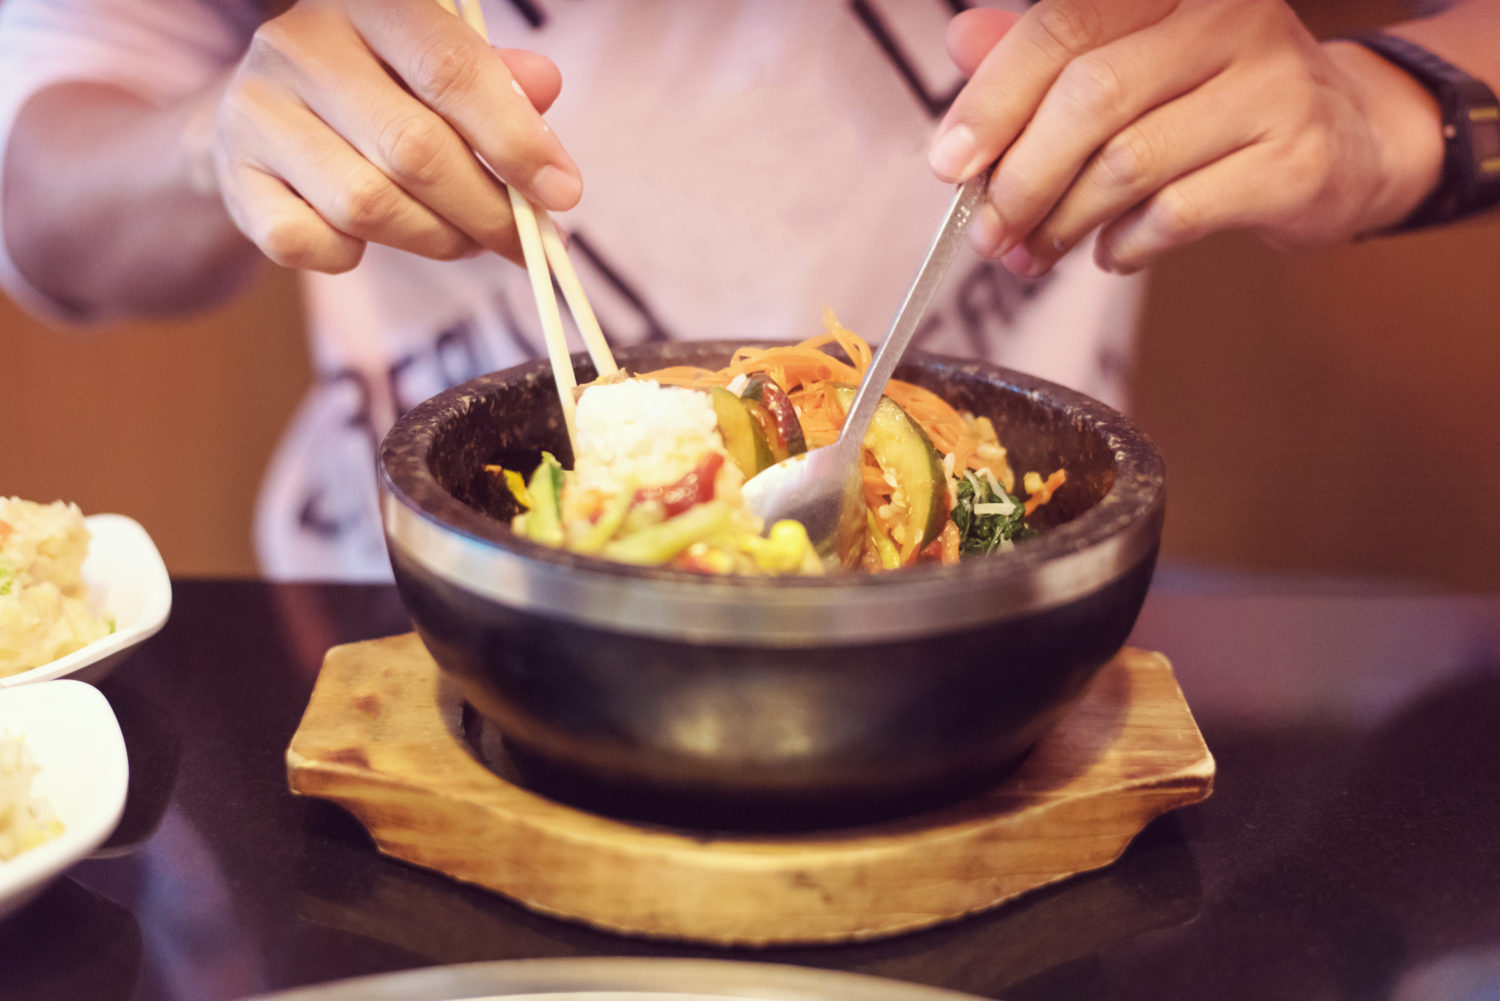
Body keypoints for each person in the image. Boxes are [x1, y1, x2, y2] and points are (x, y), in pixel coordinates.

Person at [0, 0, 1495, 581]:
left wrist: (1393, 115)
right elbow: (40, 189)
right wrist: (211, 144)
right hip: (406, 613)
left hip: (988, 614)